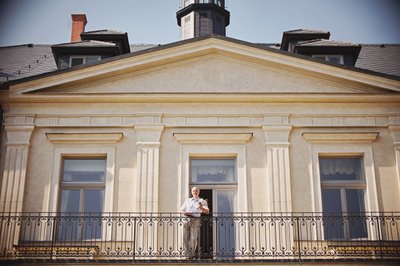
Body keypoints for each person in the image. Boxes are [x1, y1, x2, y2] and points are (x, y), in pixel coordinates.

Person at [180, 186, 209, 258]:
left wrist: (201, 207)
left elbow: (207, 211)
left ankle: (191, 253)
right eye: (193, 191)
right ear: (191, 192)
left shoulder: (202, 201)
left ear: (199, 192)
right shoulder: (187, 200)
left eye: (196, 191)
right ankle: (187, 254)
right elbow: (181, 210)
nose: (195, 192)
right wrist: (185, 212)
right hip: (186, 219)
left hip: (195, 220)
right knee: (185, 237)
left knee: (193, 238)